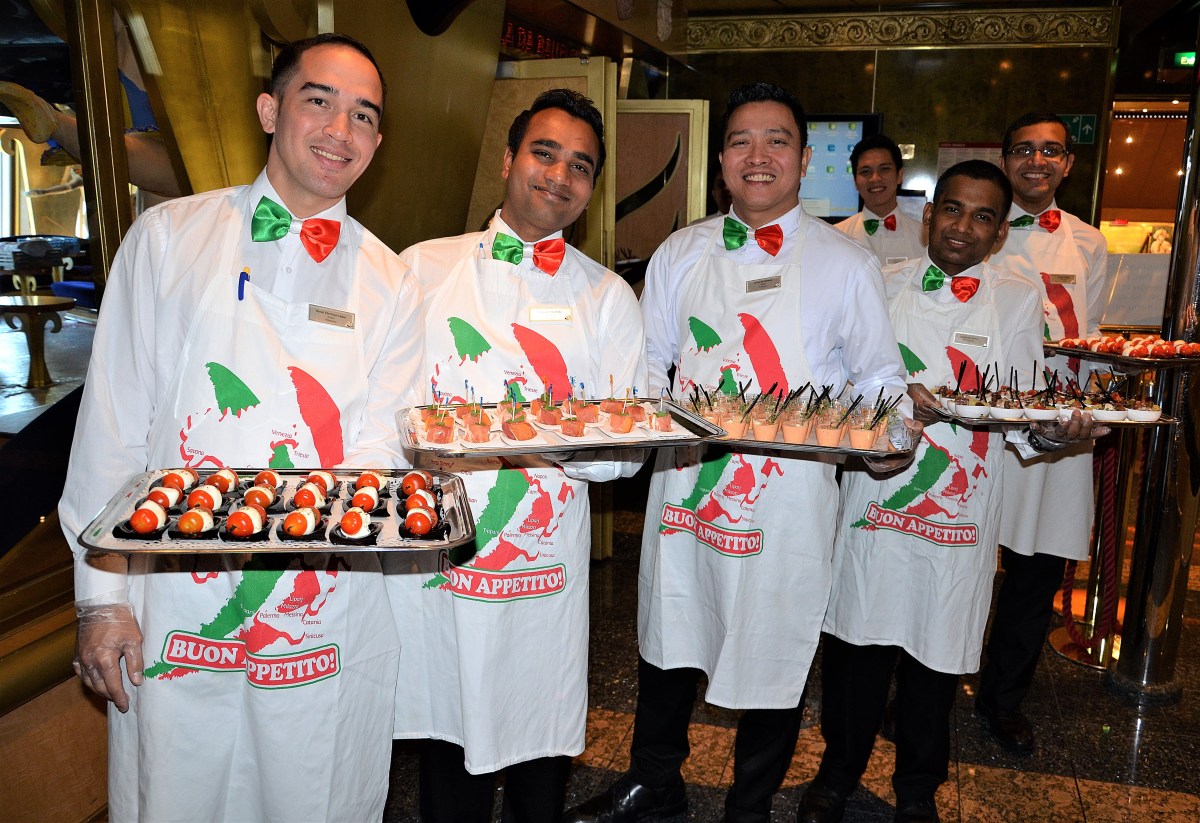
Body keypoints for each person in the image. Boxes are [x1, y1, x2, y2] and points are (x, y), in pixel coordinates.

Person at [58, 33, 421, 821]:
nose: (341, 130)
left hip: (322, 601)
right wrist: (101, 599)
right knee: (178, 790)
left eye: (364, 115)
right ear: (269, 110)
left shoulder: (393, 281)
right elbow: (115, 424)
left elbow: (383, 446)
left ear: (378, 141)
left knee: (313, 791)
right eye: (318, 100)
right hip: (177, 597)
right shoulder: (169, 240)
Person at [566, 81, 914, 823]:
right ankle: (653, 782)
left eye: (776, 140)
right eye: (741, 141)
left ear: (805, 158)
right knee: (670, 633)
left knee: (775, 646)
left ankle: (749, 805)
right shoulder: (680, 252)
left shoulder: (847, 263)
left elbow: (882, 380)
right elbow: (650, 365)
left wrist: (889, 439)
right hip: (687, 489)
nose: (758, 156)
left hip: (789, 501)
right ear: (721, 160)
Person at [804, 161, 1106, 823]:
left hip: (959, 516)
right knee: (856, 652)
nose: (963, 226)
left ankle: (918, 790)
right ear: (929, 216)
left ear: (999, 234)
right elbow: (835, 393)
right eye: (952, 209)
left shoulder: (1018, 300)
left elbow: (1021, 414)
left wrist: (1054, 432)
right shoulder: (877, 285)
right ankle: (836, 775)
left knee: (935, 660)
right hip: (875, 507)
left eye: (983, 216)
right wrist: (886, 404)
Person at [386, 88, 646, 822]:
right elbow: (382, 407)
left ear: (592, 188)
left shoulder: (607, 296)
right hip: (445, 555)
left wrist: (535, 441)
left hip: (542, 565)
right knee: (449, 742)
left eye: (581, 166)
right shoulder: (420, 269)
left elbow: (628, 454)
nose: (560, 175)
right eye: (544, 153)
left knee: (540, 746)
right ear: (508, 160)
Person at [975, 112, 1110, 754]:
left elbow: (1094, 336)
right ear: (1004, 160)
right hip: (986, 419)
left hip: (1060, 422)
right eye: (1024, 149)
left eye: (1051, 150)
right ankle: (926, 689)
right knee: (961, 555)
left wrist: (1100, 404)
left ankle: (1004, 702)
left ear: (1068, 164)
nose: (1037, 160)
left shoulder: (1089, 241)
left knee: (1036, 574)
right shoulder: (978, 231)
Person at [836, 134, 924, 266]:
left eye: (884, 169)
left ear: (899, 175)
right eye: (865, 172)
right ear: (855, 181)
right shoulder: (837, 235)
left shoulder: (924, 238)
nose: (875, 178)